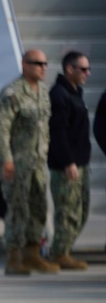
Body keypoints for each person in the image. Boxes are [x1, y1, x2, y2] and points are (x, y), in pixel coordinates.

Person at [0, 49, 60, 276]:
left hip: (38, 164)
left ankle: (32, 255)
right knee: (18, 209)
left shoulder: (44, 93)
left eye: (45, 63)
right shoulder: (12, 93)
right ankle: (13, 258)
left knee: (39, 209)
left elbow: (45, 130)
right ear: (24, 65)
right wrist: (6, 161)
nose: (43, 67)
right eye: (37, 63)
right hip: (17, 164)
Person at [47, 51, 92, 271]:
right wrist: (68, 162)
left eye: (88, 69)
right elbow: (57, 133)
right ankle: (59, 253)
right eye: (83, 69)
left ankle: (63, 249)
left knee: (81, 211)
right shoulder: (59, 95)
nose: (88, 73)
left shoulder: (74, 93)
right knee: (67, 211)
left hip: (80, 163)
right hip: (67, 166)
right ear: (69, 69)